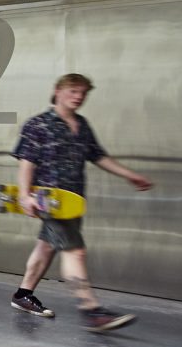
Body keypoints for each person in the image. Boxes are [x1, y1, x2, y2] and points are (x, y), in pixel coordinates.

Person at [10, 73, 154, 331]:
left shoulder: (82, 124)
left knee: (46, 247)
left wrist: (130, 175)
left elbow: (98, 156)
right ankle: (91, 310)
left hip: (74, 202)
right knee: (75, 250)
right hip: (49, 201)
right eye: (73, 91)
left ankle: (23, 295)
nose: (78, 97)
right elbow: (26, 163)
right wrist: (24, 195)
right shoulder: (38, 125)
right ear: (57, 91)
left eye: (83, 93)